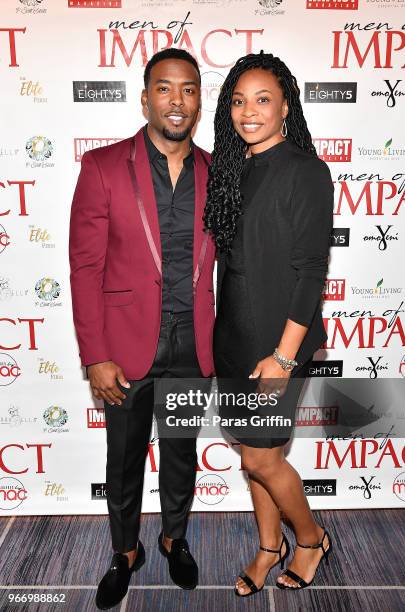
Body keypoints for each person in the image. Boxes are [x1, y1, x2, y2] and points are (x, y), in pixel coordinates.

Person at [69, 48, 216, 610]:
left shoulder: (215, 171)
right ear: (145, 96)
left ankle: (173, 537)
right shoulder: (104, 167)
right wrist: (95, 353)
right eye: (164, 88)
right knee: (124, 459)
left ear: (199, 100)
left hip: (190, 345)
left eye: (188, 89)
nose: (176, 101)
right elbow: (86, 267)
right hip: (125, 346)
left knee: (180, 452)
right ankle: (124, 550)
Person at [204, 51, 334, 596]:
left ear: (286, 106)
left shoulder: (306, 171)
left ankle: (309, 539)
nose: (248, 112)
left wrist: (282, 358)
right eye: (238, 101)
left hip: (280, 342)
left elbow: (310, 274)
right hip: (233, 338)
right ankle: (266, 546)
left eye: (262, 99)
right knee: (254, 455)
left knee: (260, 455)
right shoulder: (233, 168)